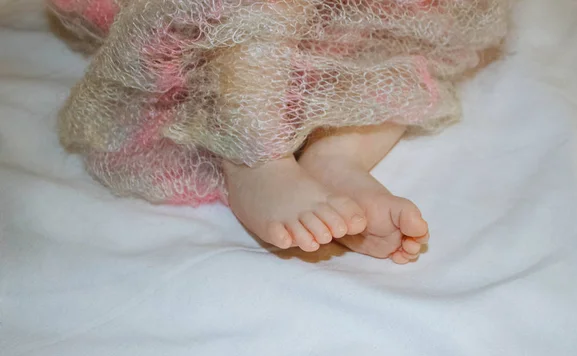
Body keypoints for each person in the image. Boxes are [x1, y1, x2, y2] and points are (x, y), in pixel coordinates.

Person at [48, 0, 509, 263]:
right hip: (212, 18)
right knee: (252, 17)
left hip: (337, 18)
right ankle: (254, 153)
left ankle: (335, 157)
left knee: (406, 54)